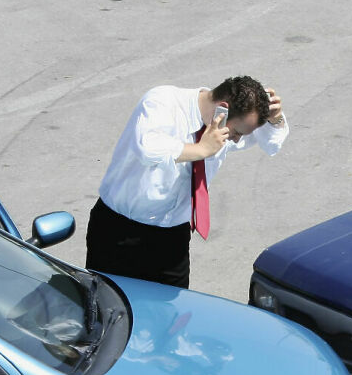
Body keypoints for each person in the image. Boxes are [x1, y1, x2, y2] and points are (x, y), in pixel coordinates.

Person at [85, 76, 287, 288]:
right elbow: (148, 148)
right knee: (107, 313)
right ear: (222, 109)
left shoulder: (222, 128)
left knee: (173, 315)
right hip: (119, 232)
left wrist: (277, 119)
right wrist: (201, 149)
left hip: (172, 239)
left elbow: (272, 144)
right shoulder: (162, 101)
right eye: (236, 132)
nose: (236, 139)